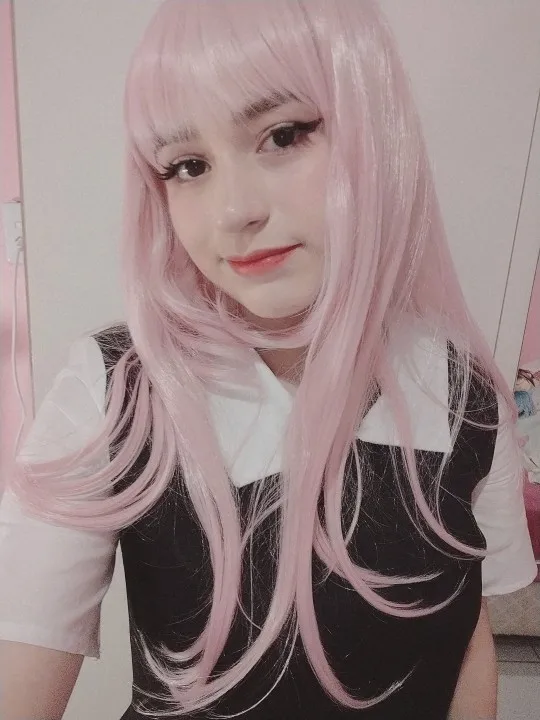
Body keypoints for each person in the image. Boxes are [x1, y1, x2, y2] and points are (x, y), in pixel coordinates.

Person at [0, 0, 537, 718]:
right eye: (188, 165)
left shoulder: (466, 398)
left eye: (282, 135)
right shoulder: (115, 389)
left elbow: (468, 638)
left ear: (375, 131)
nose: (233, 211)